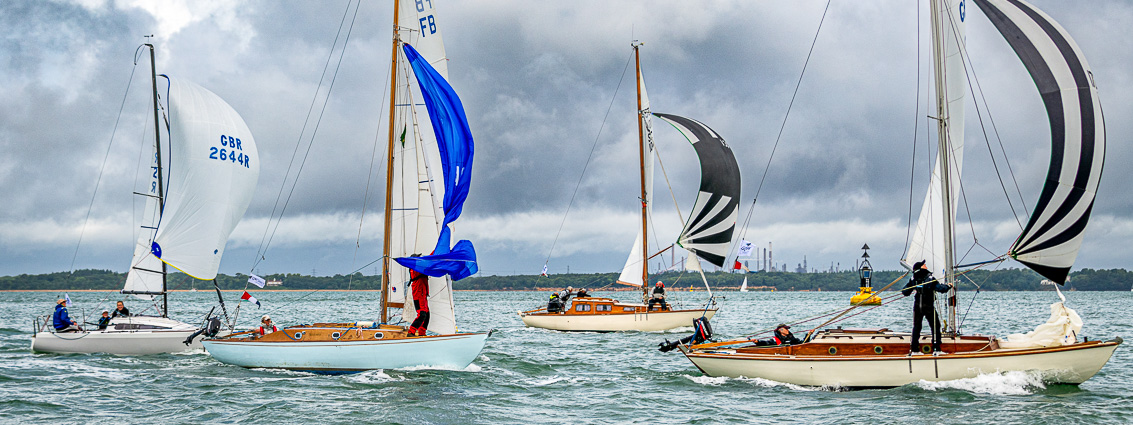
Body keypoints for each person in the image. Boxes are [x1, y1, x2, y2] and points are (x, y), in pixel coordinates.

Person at [902, 260, 953, 355]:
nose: (925, 265)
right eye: (924, 264)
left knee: (917, 327)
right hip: (928, 305)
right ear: (921, 267)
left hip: (917, 306)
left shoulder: (913, 278)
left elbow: (905, 292)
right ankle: (937, 349)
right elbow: (940, 289)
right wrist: (948, 286)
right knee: (935, 326)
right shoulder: (930, 277)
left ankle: (915, 350)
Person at [407, 269, 430, 336]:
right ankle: (411, 332)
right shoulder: (416, 264)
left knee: (427, 314)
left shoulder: (420, 263)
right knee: (422, 314)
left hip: (423, 292)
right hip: (419, 292)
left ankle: (422, 333)